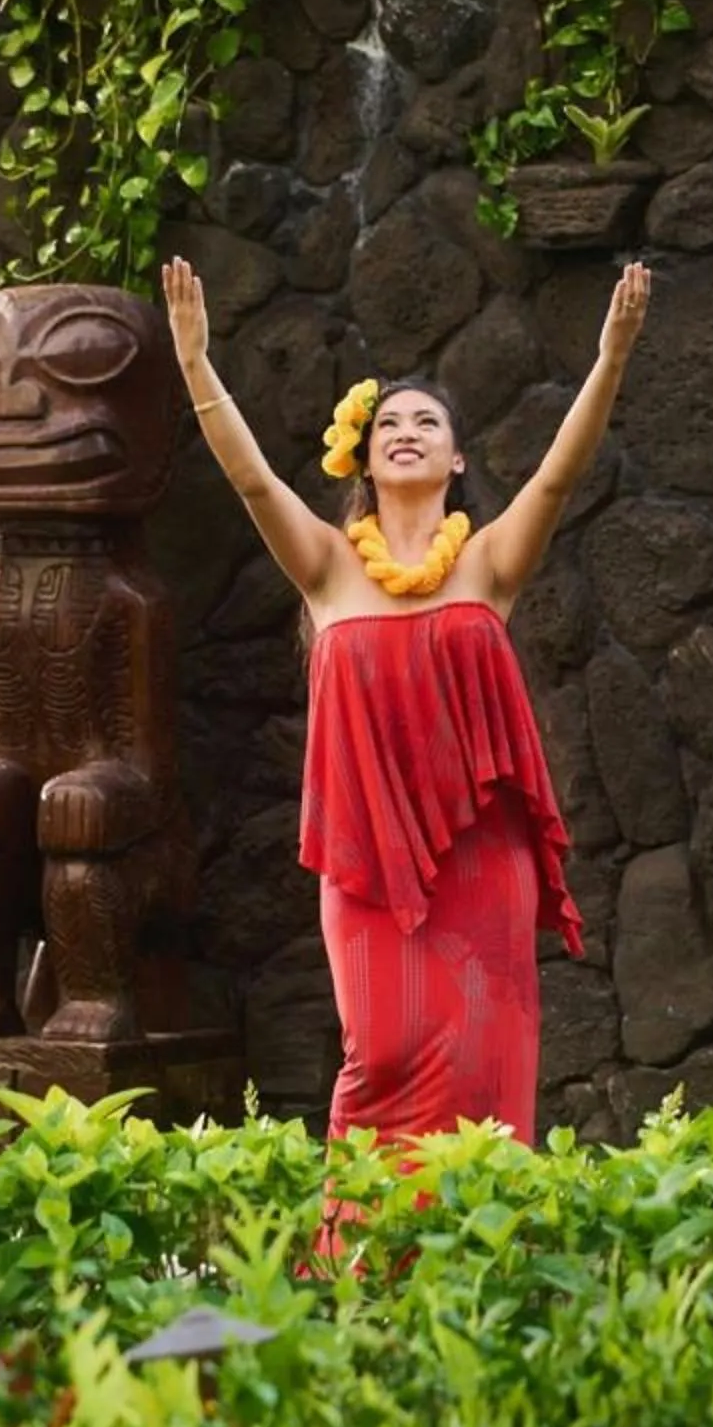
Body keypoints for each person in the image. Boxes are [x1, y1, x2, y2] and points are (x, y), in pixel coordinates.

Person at [161, 254, 653, 1216]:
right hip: (367, 865)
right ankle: (363, 1263)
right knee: (378, 1056)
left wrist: (611, 359)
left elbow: (559, 476)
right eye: (389, 423)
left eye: (427, 422)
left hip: (482, 859)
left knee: (484, 1057)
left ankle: (482, 1257)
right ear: (363, 455)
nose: (406, 432)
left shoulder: (489, 564)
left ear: (457, 460)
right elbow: (252, 481)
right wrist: (194, 362)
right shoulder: (327, 566)